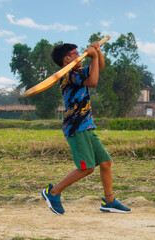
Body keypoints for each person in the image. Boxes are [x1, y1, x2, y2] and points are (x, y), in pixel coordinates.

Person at [41, 41, 131, 214]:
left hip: (87, 125)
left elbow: (100, 67)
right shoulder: (69, 75)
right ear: (67, 59)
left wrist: (98, 52)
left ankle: (109, 201)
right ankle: (52, 192)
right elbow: (93, 82)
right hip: (76, 127)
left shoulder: (78, 71)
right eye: (76, 52)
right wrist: (94, 56)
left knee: (105, 162)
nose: (79, 53)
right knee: (87, 168)